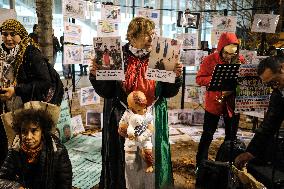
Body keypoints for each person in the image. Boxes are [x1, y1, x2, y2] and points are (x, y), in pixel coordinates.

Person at [89, 17, 182, 189]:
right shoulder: (116, 54)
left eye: (153, 34)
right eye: (147, 35)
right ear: (132, 36)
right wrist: (96, 75)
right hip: (122, 116)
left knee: (150, 157)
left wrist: (176, 77)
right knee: (126, 160)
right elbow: (107, 92)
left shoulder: (161, 54)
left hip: (152, 116)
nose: (152, 39)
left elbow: (169, 93)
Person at [0, 19, 55, 166]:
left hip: (27, 110)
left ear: (21, 34)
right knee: (9, 146)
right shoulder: (1, 53)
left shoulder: (30, 52)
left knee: (27, 146)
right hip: (6, 109)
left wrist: (16, 90)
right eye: (4, 34)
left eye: (13, 34)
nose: (8, 38)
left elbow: (45, 82)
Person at [195, 32, 245, 170]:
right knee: (207, 135)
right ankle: (200, 165)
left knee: (231, 137)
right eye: (227, 53)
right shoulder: (210, 59)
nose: (230, 57)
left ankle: (227, 166)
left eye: (233, 53)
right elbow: (199, 79)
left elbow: (244, 80)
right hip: (214, 103)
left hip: (232, 103)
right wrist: (215, 78)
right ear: (221, 48)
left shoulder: (240, 59)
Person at [0, 108, 72, 189]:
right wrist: (16, 187)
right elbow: (2, 179)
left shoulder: (57, 151)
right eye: (24, 131)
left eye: (34, 131)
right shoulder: (15, 150)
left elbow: (65, 184)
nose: (29, 137)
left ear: (42, 131)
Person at [235, 56, 284, 170]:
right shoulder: (278, 94)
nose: (274, 87)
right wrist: (250, 152)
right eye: (269, 85)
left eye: (274, 81)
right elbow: (268, 125)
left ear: (282, 68)